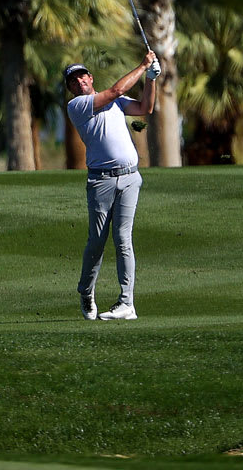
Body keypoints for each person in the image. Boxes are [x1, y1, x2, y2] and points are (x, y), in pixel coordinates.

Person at [64, 51, 158, 321]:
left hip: (130, 177)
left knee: (123, 239)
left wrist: (151, 79)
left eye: (82, 76)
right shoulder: (78, 107)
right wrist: (143, 65)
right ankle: (86, 290)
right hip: (101, 181)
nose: (79, 81)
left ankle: (127, 303)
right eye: (73, 80)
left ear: (90, 78)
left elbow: (144, 109)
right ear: (71, 89)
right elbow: (116, 89)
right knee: (97, 242)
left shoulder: (116, 104)